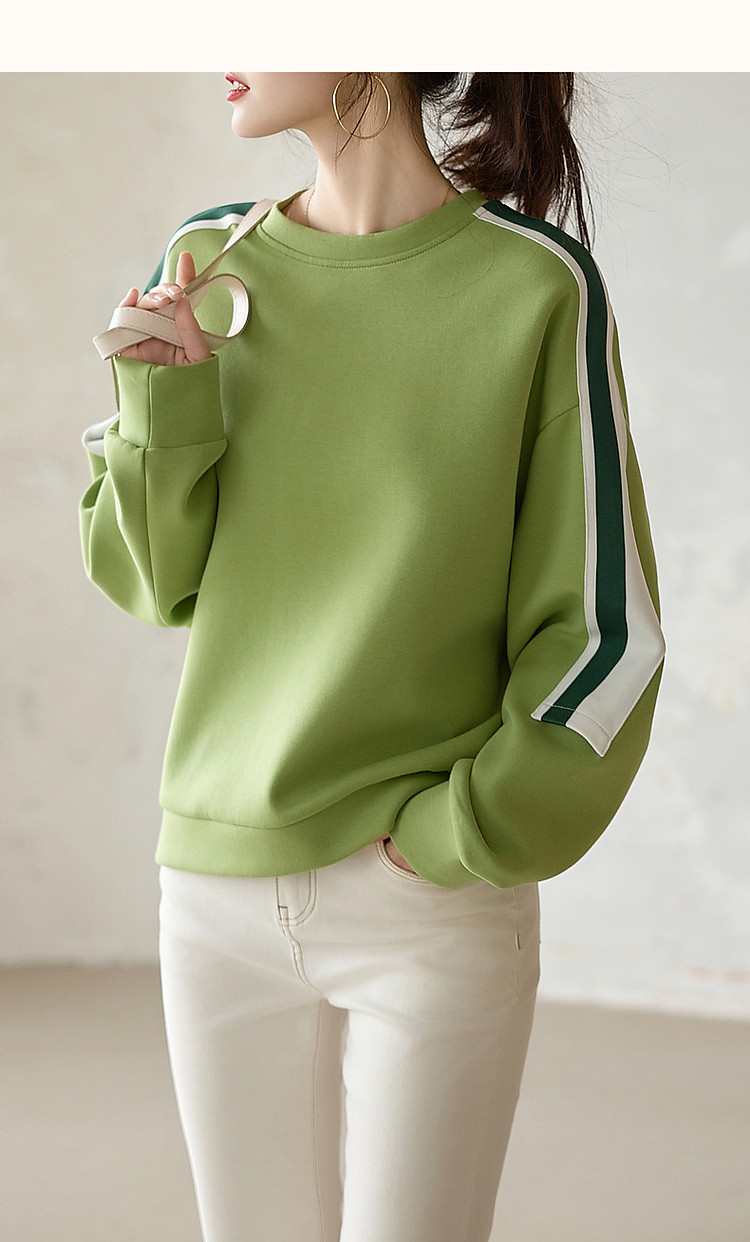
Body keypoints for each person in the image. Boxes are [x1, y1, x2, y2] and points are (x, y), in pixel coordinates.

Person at [78, 72, 667, 1242]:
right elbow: (153, 582)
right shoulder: (209, 265)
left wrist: (460, 834)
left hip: (427, 901)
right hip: (214, 887)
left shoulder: (533, 286)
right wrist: (161, 405)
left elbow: (605, 629)